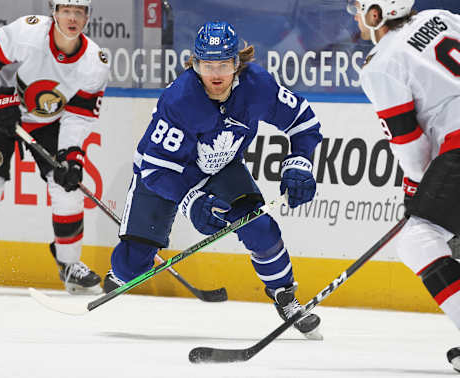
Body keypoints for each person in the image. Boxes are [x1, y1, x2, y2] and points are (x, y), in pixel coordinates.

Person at [103, 21, 323, 339]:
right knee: (130, 267)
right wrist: (192, 201)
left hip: (221, 169)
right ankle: (123, 269)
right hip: (168, 174)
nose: (216, 74)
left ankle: (285, 296)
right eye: (207, 65)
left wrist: (299, 162)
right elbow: (156, 170)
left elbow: (302, 119)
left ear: (237, 63)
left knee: (259, 226)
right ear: (195, 63)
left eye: (223, 64)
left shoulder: (257, 86)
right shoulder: (179, 100)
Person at [348, 0, 460, 372]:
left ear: (376, 14)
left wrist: (414, 186)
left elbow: (411, 146)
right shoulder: (438, 17)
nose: (354, 14)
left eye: (358, 7)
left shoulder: (382, 62)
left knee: (418, 238)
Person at [0, 0, 110, 294]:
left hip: (47, 123)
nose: (72, 18)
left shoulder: (94, 62)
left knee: (68, 187)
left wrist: (71, 156)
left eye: (79, 12)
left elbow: (78, 116)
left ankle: (69, 264)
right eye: (66, 10)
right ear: (54, 11)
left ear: (88, 16)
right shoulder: (28, 33)